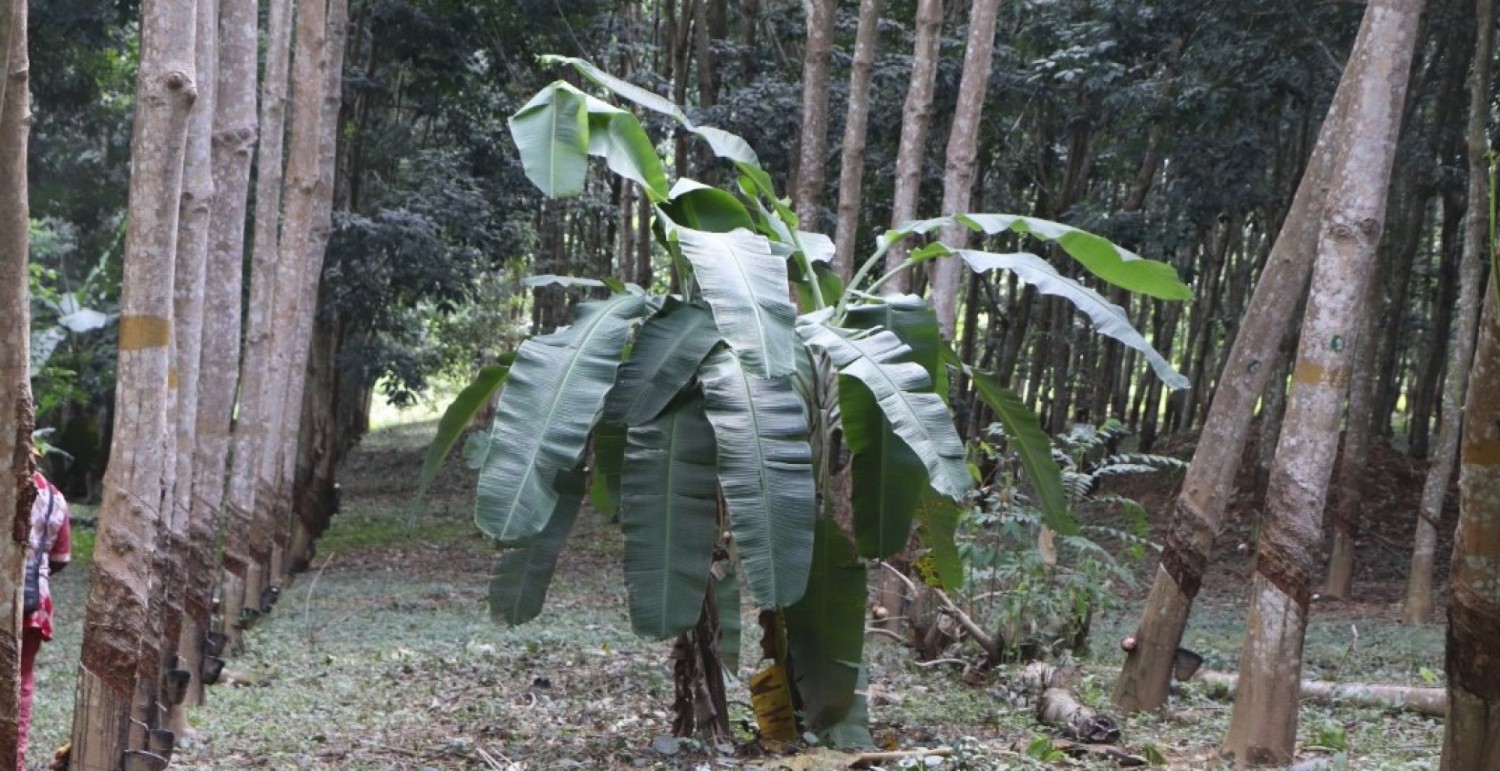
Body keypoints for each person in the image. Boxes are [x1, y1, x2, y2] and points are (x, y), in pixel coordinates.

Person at [19, 468, 71, 771]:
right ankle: (14, 760)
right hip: (33, 601)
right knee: (21, 682)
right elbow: (60, 558)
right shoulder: (53, 494)